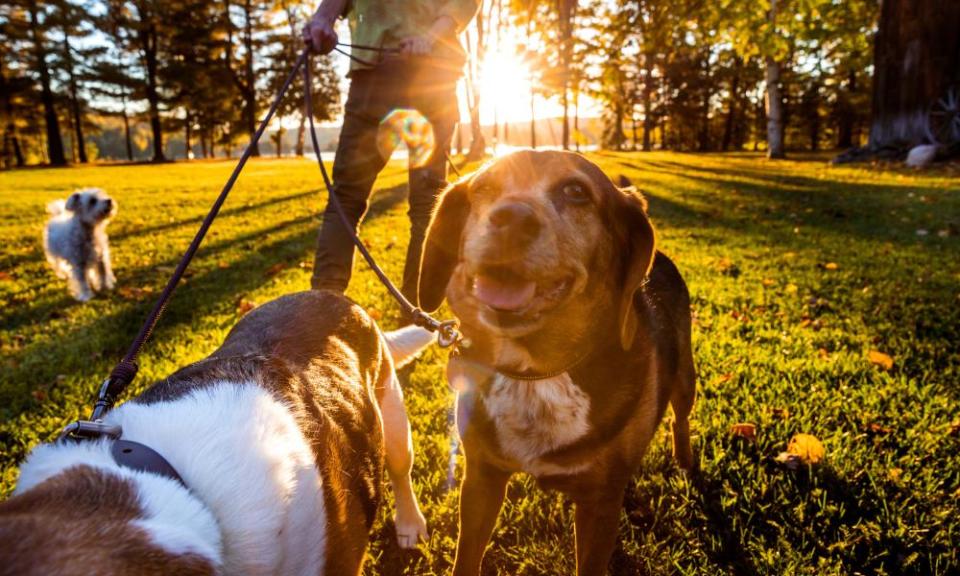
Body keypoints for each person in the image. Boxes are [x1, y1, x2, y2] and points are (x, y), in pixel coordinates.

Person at [303, 0, 480, 306]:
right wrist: (322, 19)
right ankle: (323, 307)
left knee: (428, 199)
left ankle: (417, 313)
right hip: (373, 78)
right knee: (346, 196)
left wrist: (430, 37)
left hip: (431, 78)